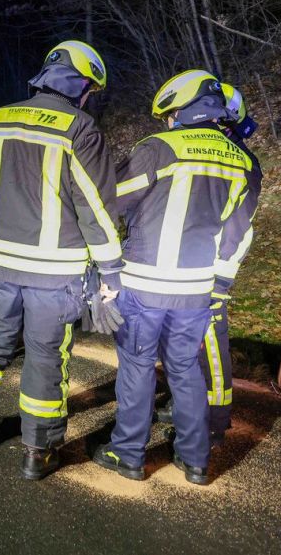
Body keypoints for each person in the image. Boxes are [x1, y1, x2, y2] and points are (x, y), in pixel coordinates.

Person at [0, 40, 123, 480]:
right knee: (46, 357)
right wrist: (110, 269)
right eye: (90, 91)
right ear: (82, 85)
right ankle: (37, 452)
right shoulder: (80, 128)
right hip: (55, 274)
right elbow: (95, 207)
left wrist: (0, 224)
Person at [93, 70, 256, 486]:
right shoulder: (240, 159)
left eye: (168, 114)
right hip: (197, 290)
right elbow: (238, 233)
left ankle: (128, 454)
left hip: (145, 283)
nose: (167, 121)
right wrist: (221, 284)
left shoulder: (159, 148)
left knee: (138, 365)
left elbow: (110, 200)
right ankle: (196, 460)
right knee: (185, 369)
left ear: (180, 109)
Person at [152, 84, 262, 446]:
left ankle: (214, 422)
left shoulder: (240, 162)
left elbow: (239, 232)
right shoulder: (219, 152)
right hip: (186, 272)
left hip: (210, 273)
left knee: (211, 346)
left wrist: (219, 283)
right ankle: (189, 404)